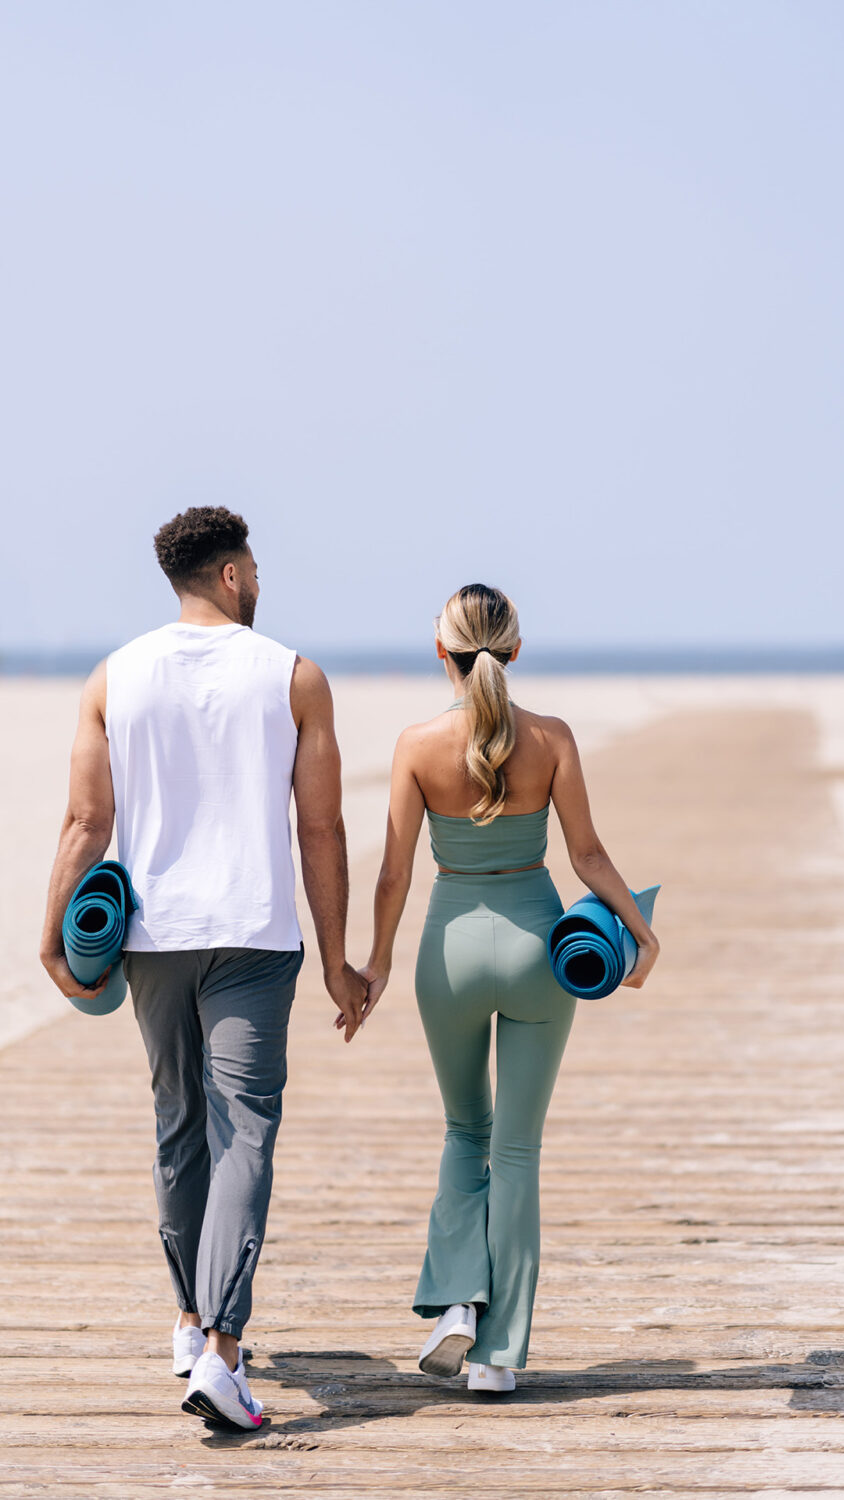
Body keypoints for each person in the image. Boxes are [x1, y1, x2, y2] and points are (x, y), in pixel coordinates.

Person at [39, 506, 368, 1431]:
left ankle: (188, 1318)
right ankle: (222, 1349)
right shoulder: (294, 677)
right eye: (254, 568)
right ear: (231, 575)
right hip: (253, 937)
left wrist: (48, 935)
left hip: (153, 940)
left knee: (179, 1122)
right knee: (245, 1132)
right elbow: (321, 827)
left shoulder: (114, 676)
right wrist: (338, 960)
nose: (259, 581)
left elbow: (83, 824)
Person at [359, 583, 658, 1393]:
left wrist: (375, 964)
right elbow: (588, 856)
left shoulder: (416, 745)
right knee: (517, 1151)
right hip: (536, 945)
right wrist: (641, 932)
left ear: (441, 651)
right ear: (516, 651)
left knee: (466, 1133)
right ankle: (497, 1357)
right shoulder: (552, 737)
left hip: (449, 950)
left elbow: (392, 873)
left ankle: (457, 1304)